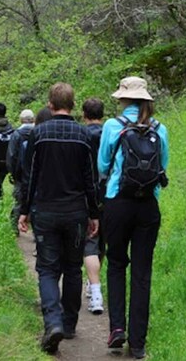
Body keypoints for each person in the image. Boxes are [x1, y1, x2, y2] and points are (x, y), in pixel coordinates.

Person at [18, 84, 100, 354]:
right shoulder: (82, 135)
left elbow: (30, 177)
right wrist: (93, 213)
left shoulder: (38, 134)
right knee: (73, 267)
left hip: (46, 210)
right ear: (73, 105)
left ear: (50, 104)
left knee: (48, 268)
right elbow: (90, 178)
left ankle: (52, 322)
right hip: (76, 211)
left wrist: (25, 210)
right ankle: (69, 323)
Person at [98, 77, 169, 360]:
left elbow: (103, 164)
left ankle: (117, 328)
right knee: (142, 272)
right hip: (148, 207)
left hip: (118, 203)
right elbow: (162, 166)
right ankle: (137, 343)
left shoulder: (113, 126)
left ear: (122, 99)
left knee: (116, 264)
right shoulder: (160, 129)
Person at [80, 97, 106, 315]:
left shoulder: (81, 134)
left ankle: (95, 292)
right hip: (109, 194)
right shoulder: (111, 133)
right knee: (102, 242)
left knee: (90, 241)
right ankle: (93, 283)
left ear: (83, 114)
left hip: (86, 194)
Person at [7, 108, 36, 232]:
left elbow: (12, 155)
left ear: (21, 119)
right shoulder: (38, 132)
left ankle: (15, 227)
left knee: (19, 200)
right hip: (35, 173)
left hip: (20, 174)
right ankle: (36, 232)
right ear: (33, 119)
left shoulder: (17, 134)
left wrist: (13, 173)